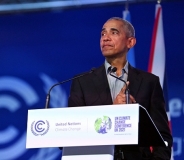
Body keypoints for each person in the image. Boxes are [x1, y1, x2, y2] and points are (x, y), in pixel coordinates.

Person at [68, 17, 173, 160]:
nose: (105, 38)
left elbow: (163, 137)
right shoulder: (82, 82)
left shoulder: (149, 82)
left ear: (130, 42)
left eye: (114, 32)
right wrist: (113, 111)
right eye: (103, 33)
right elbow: (72, 132)